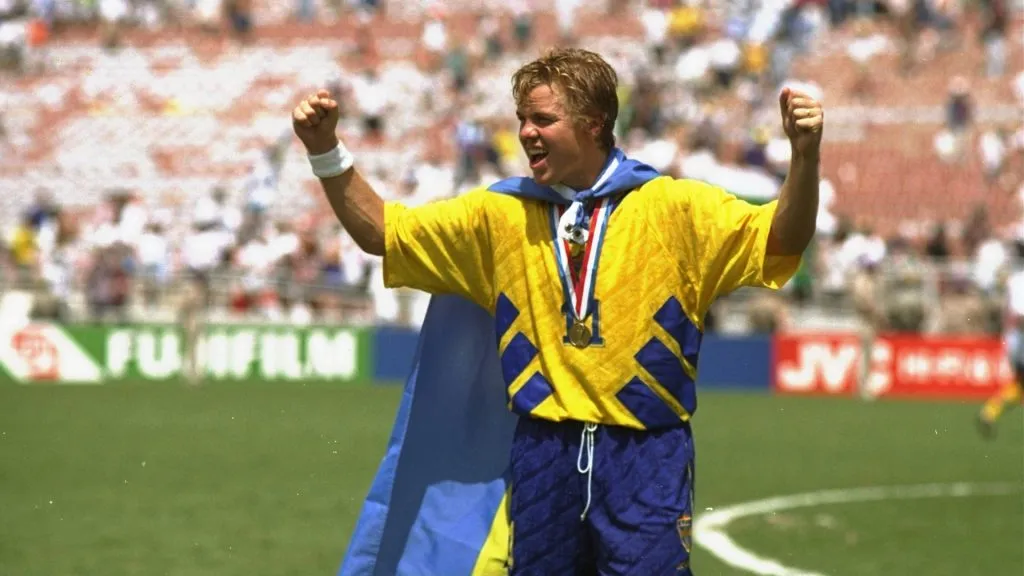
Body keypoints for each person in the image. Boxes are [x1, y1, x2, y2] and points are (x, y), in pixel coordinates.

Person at [293, 47, 822, 575]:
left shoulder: (675, 209)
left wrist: (804, 156)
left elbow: (781, 238)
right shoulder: (500, 216)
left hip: (645, 452)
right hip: (543, 450)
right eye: (522, 119)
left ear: (594, 124)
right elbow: (385, 233)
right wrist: (325, 151)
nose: (526, 132)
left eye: (543, 119)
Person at [977, 240, 1024, 438]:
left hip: (1013, 339)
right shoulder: (1020, 280)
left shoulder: (1014, 279)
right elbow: (1020, 315)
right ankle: (990, 411)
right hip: (1021, 338)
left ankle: (989, 412)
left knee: (1021, 385)